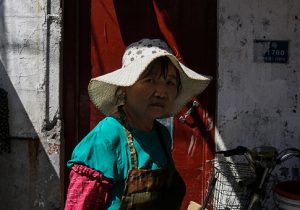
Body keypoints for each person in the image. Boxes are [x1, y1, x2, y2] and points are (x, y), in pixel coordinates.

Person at [64, 38, 212, 210]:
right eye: (150, 80)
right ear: (125, 86)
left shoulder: (161, 135)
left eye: (170, 82)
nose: (161, 92)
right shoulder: (104, 140)